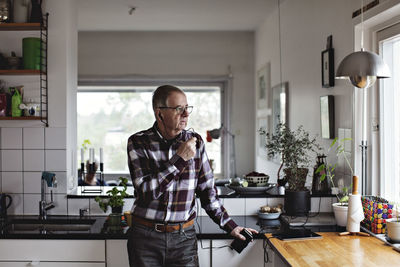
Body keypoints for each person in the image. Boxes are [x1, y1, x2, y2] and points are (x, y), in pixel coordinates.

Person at [127, 85, 258, 267]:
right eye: (178, 109)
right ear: (159, 113)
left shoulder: (195, 142)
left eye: (187, 108)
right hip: (145, 239)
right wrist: (179, 159)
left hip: (184, 239)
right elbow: (146, 192)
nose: (186, 114)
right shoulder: (138, 142)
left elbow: (207, 192)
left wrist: (231, 226)